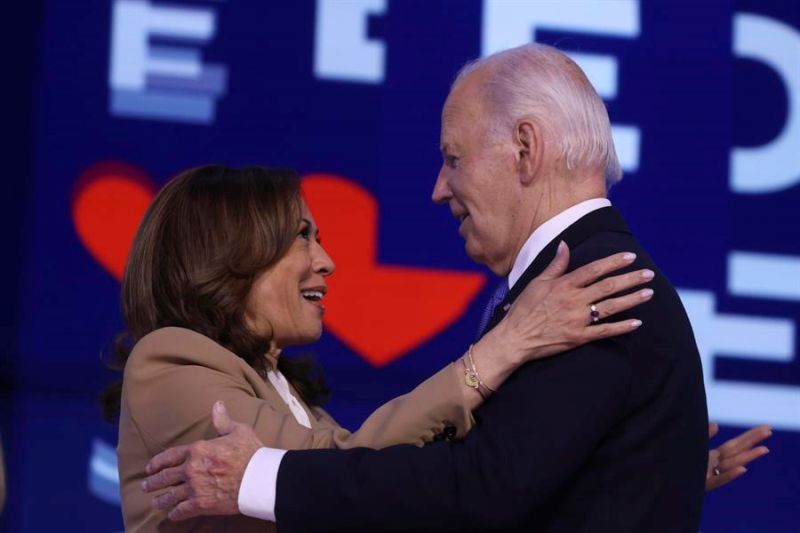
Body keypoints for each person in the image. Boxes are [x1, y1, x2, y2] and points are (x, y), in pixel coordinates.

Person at [141, 45, 772, 531]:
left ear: (525, 148)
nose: (439, 189)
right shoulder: (568, 286)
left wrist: (259, 477)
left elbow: (482, 487)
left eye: (454, 157)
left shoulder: (590, 285)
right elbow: (509, 473)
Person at [111, 164, 652, 531]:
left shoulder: (285, 390)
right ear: (228, 250)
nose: (326, 261)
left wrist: (609, 464)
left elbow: (380, 486)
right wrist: (500, 350)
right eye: (303, 235)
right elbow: (338, 474)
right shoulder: (170, 362)